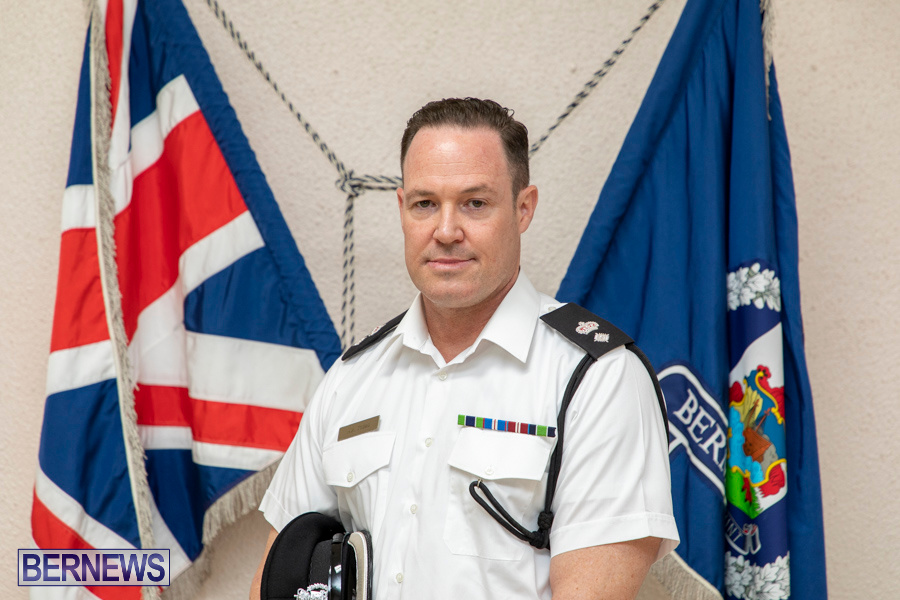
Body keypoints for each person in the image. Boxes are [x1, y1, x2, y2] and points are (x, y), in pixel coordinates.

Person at [251, 98, 678, 600]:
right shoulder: (351, 378)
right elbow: (278, 577)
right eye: (425, 204)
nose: (446, 231)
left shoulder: (597, 380)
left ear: (523, 208)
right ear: (401, 208)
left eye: (475, 203)